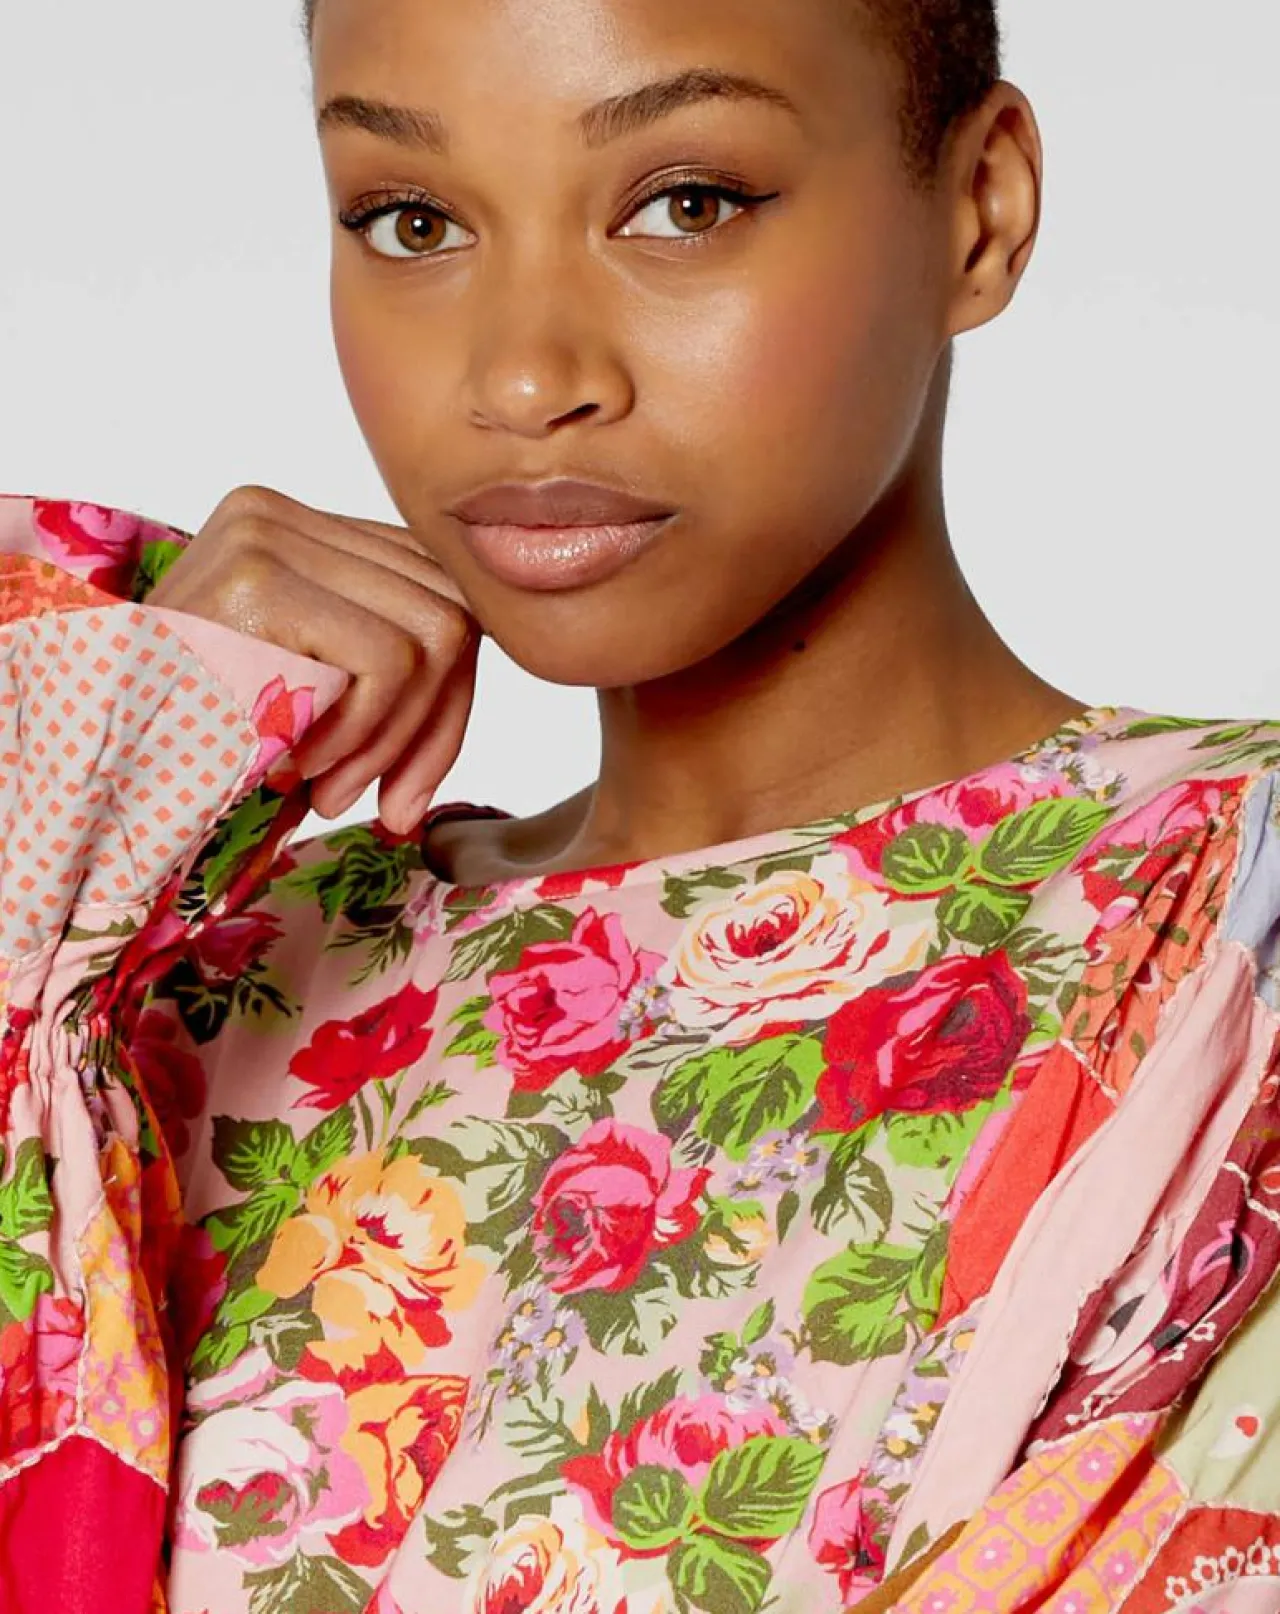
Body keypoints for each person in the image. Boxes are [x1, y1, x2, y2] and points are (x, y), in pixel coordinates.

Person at [0, 0, 1277, 1610]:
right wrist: (71, 747)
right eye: (412, 220)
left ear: (981, 206)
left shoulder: (1228, 921)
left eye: (686, 201)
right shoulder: (177, 1001)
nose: (525, 376)